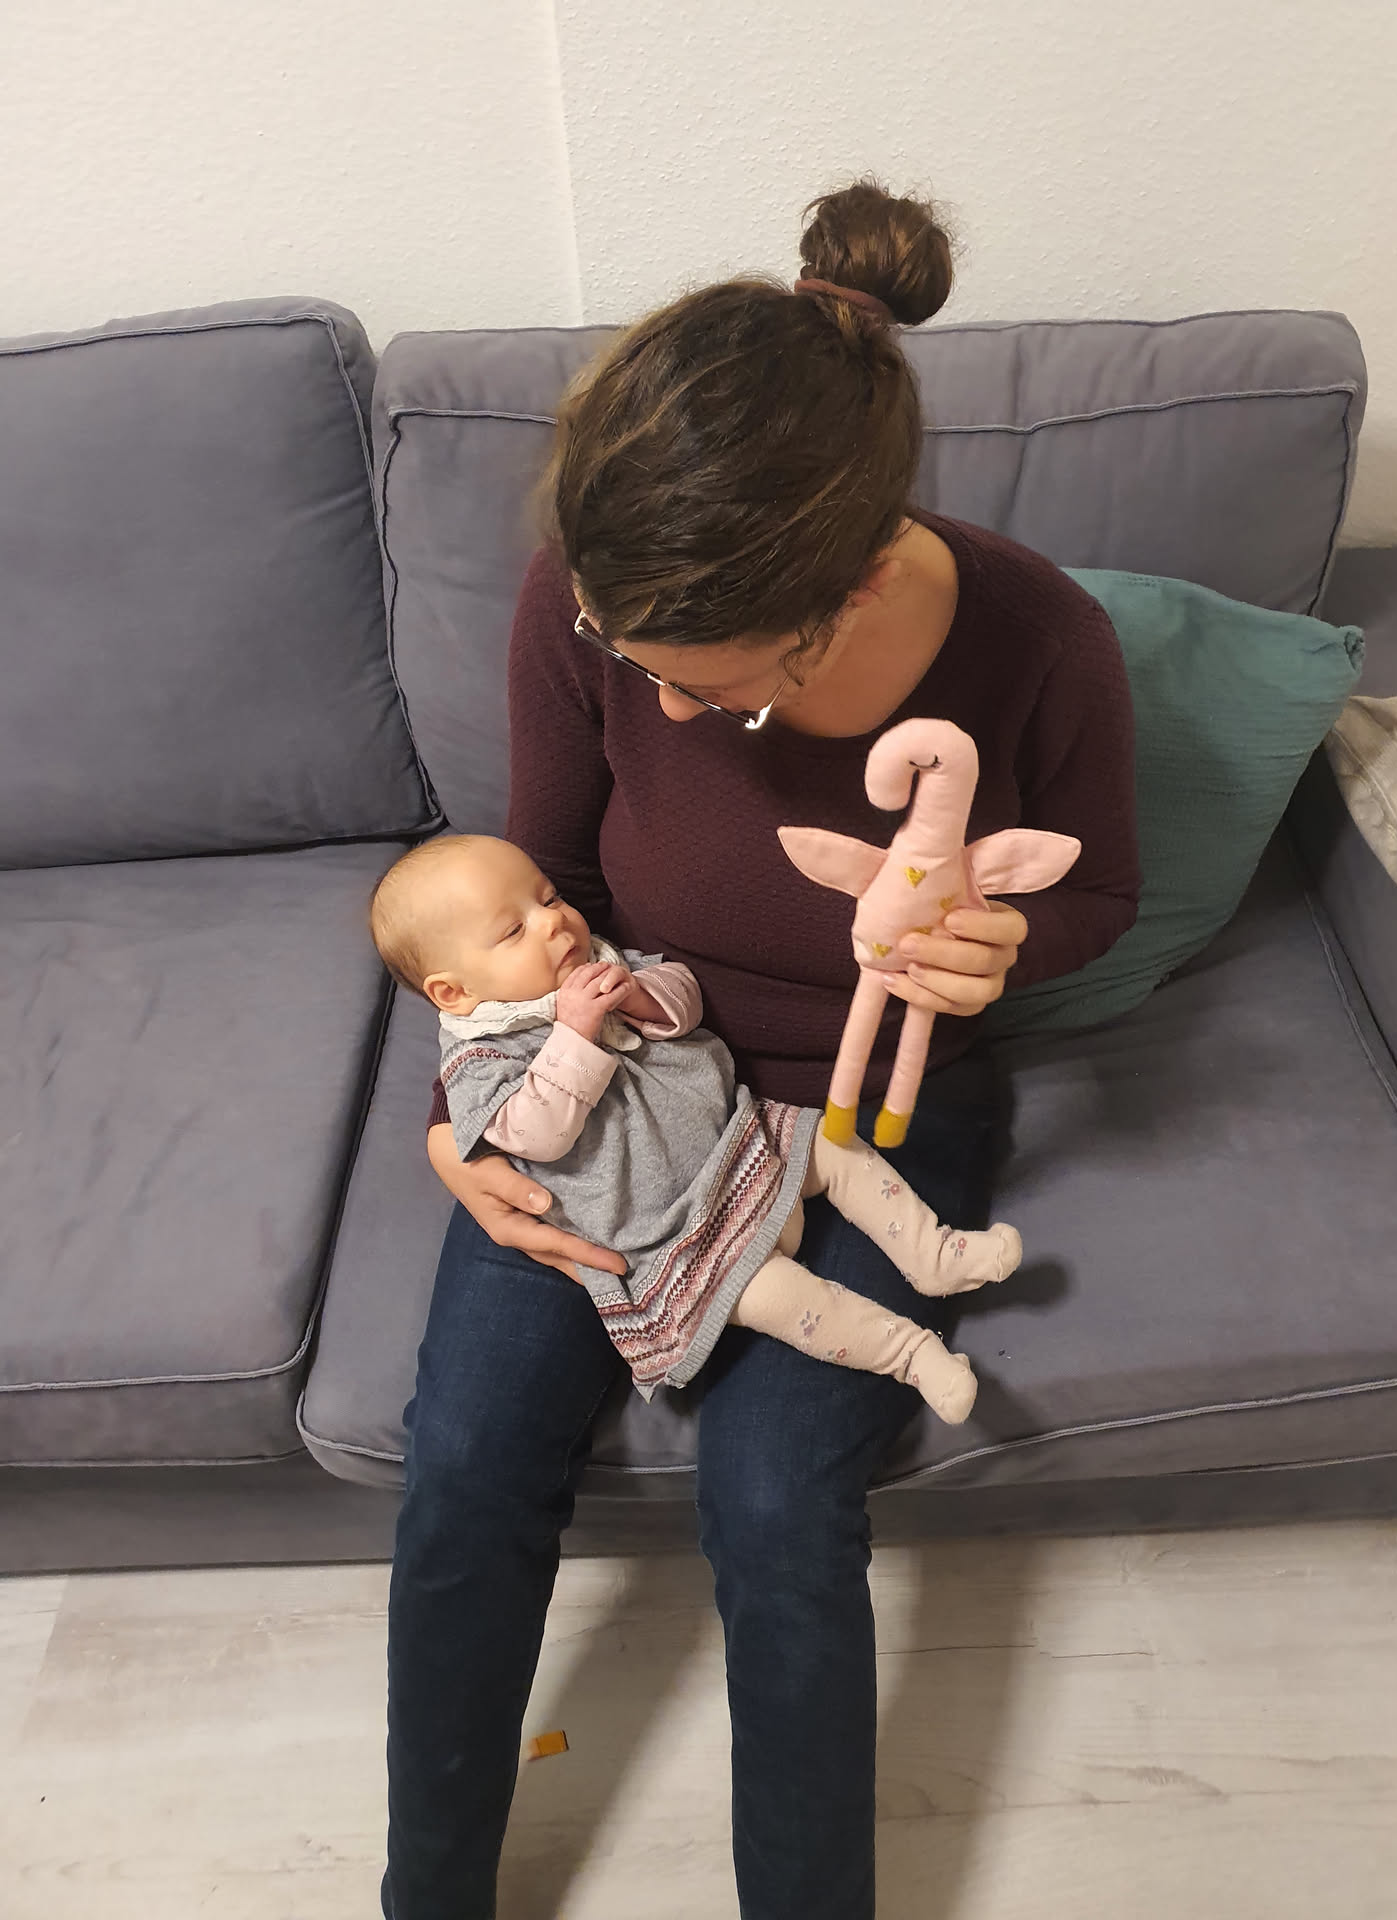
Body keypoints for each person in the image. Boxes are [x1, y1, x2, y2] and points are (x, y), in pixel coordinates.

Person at [382, 177, 1141, 1920]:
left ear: (851, 589)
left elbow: (1100, 892)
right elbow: (541, 892)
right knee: (466, 1468)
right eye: (625, 657)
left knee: (781, 1510)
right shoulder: (594, 597)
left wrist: (1007, 943)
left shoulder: (1041, 641)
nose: (659, 708)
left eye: (708, 691)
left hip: (866, 1107)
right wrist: (457, 1131)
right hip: (615, 1082)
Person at [369, 832, 1025, 1422]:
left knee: (837, 1145)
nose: (553, 922)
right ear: (453, 992)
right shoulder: (480, 1060)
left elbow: (685, 1000)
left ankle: (933, 1253)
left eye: (549, 897)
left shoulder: (594, 963)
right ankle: (911, 1354)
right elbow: (537, 1134)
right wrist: (574, 1034)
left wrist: (638, 994)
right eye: (514, 930)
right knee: (791, 1305)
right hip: (675, 1237)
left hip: (746, 1141)